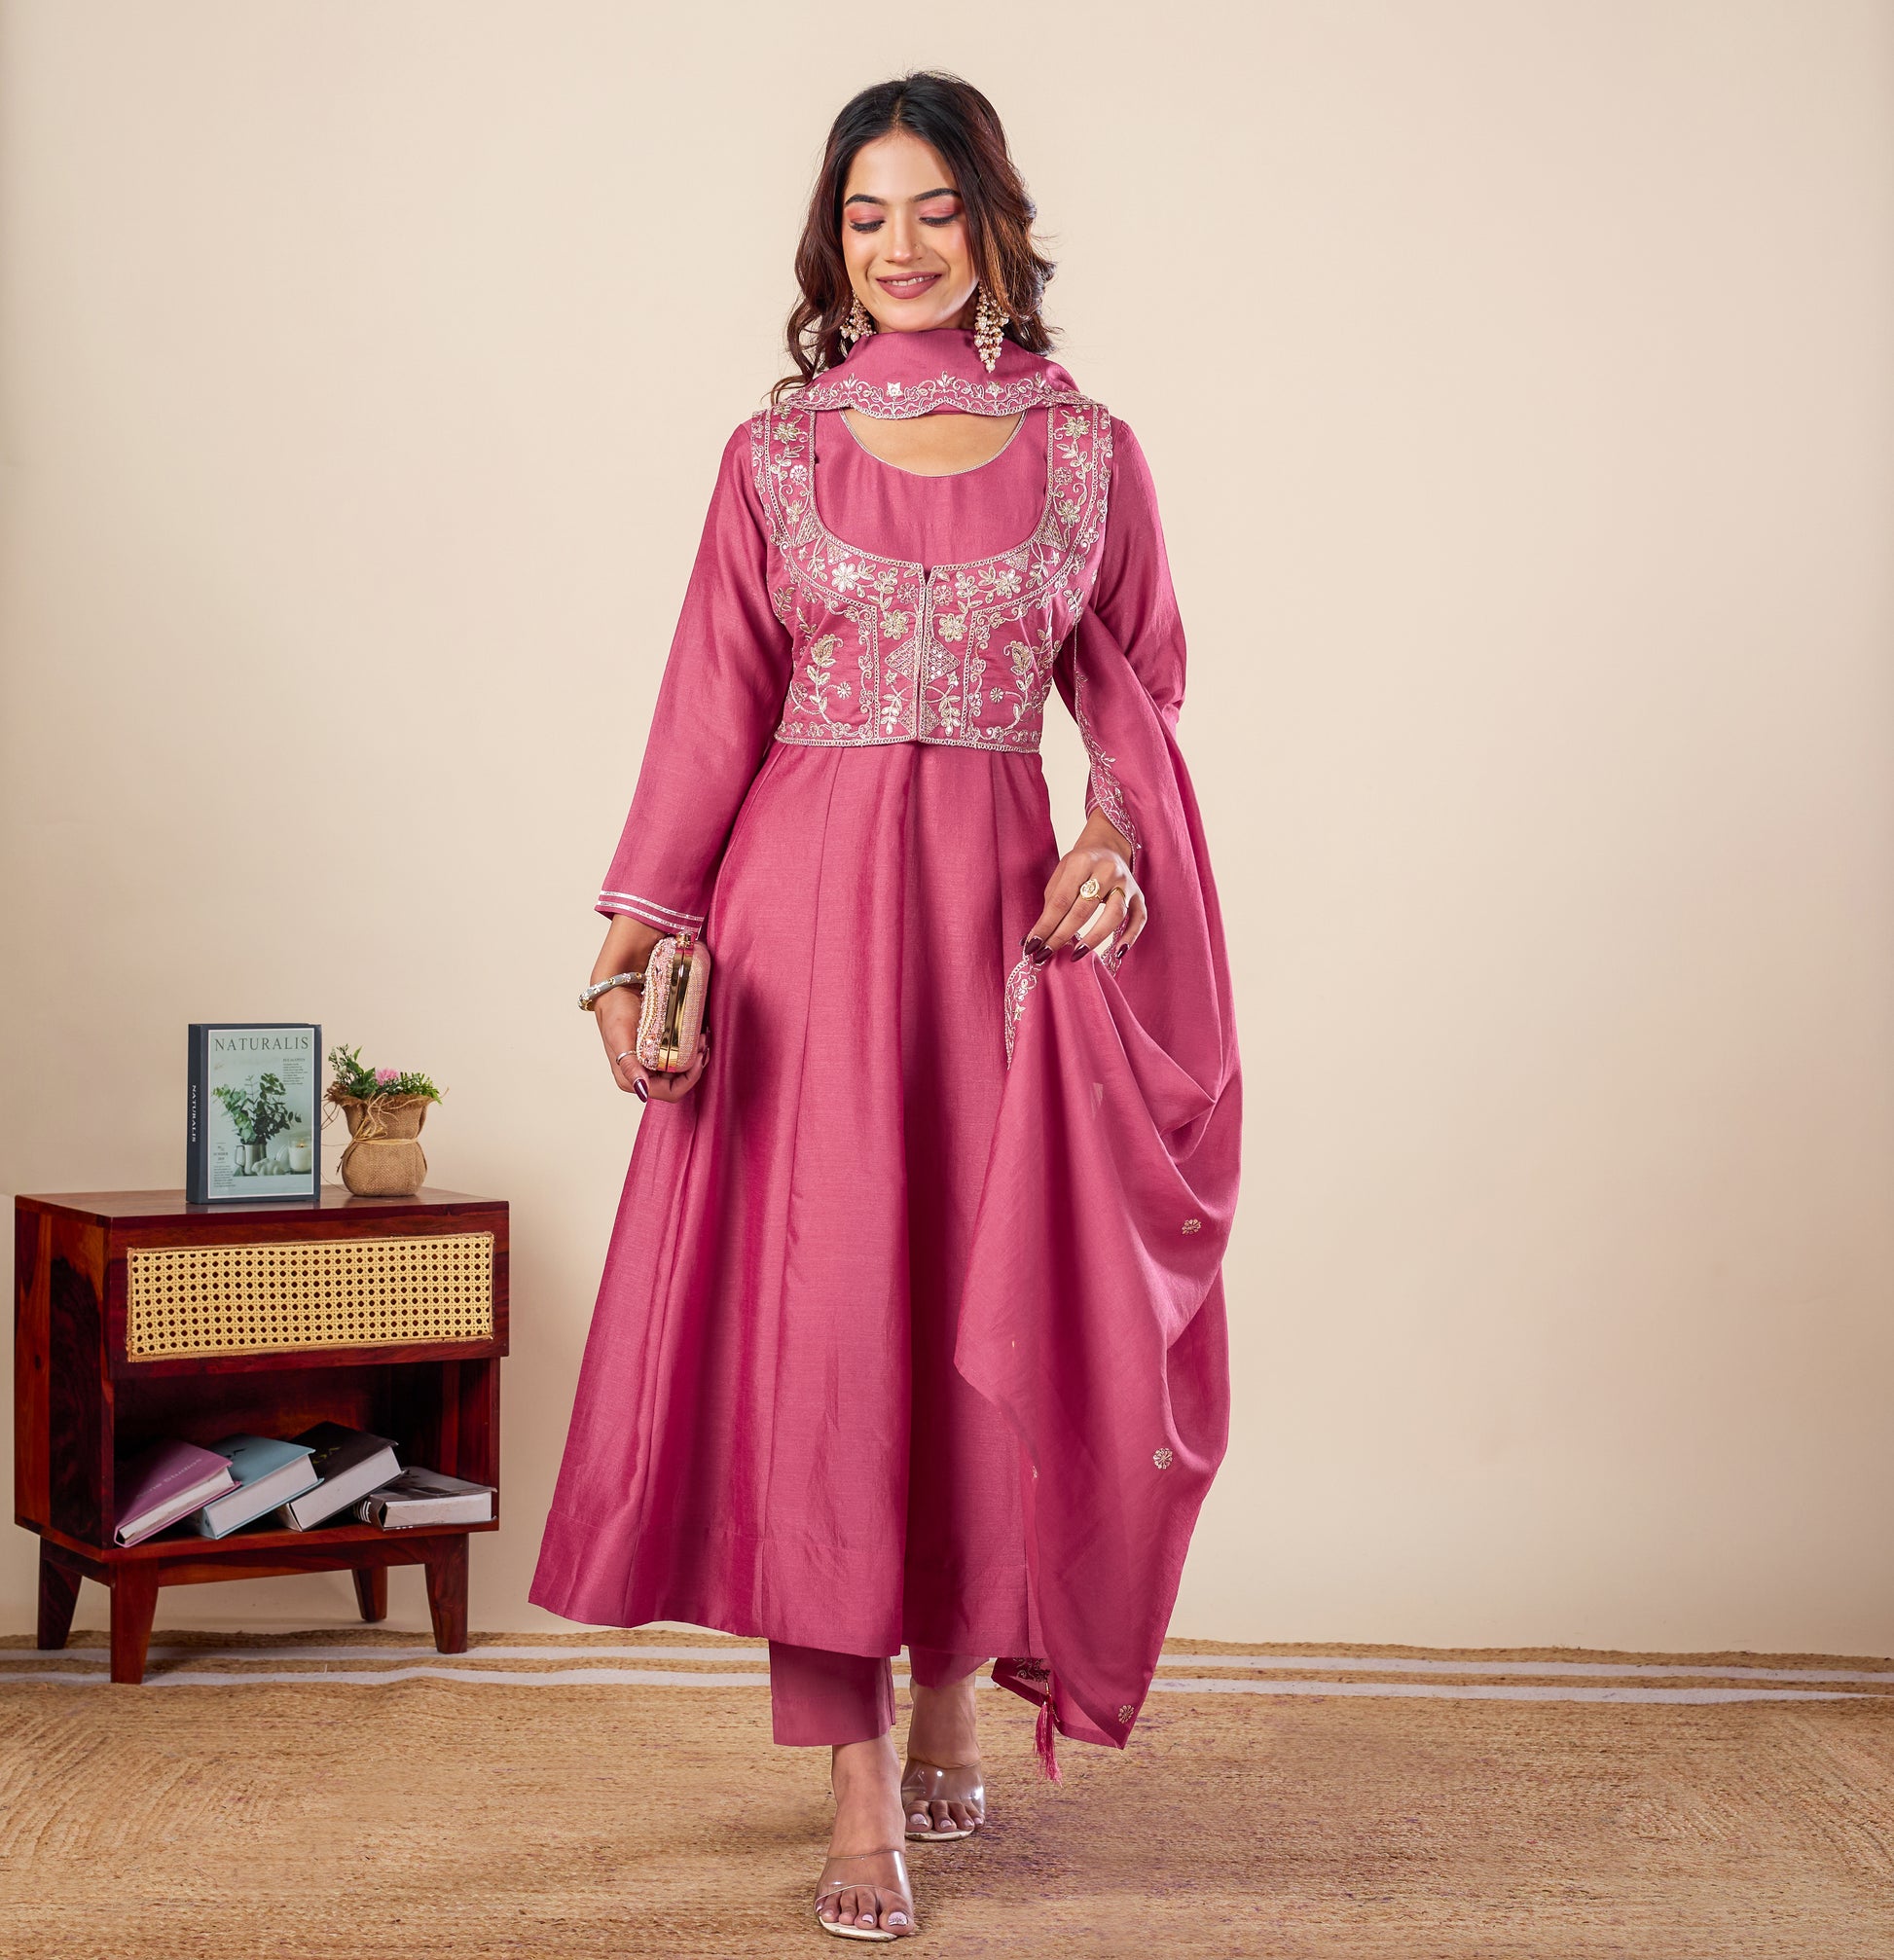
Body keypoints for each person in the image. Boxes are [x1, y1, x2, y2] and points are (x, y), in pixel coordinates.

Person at [530, 70, 1241, 1942]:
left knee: (974, 1320)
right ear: (827, 239)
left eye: (934, 209)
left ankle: (953, 1697)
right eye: (865, 215)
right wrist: (632, 942)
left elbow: (1142, 693)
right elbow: (708, 708)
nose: (900, 247)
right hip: (797, 947)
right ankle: (857, 1784)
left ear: (994, 224)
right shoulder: (773, 452)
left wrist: (1114, 842)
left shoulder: (1088, 450)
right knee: (826, 1342)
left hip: (995, 942)